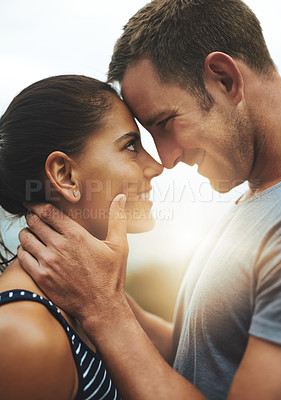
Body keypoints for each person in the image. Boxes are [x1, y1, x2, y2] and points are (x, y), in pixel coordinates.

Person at [17, 0, 281, 399]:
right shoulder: (257, 193)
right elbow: (198, 358)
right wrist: (101, 292)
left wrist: (105, 313)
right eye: (138, 140)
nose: (164, 159)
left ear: (224, 79)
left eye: (164, 123)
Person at [0, 74, 163, 400]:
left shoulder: (92, 291)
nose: (156, 166)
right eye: (130, 146)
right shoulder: (22, 335)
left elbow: (185, 349)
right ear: (65, 175)